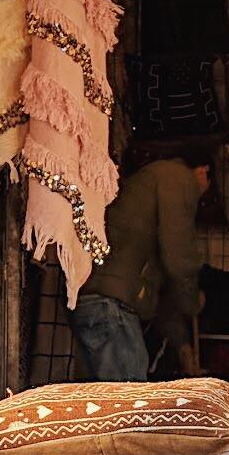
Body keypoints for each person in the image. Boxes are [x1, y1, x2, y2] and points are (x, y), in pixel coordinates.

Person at [72, 150, 212, 382]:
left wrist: (182, 344)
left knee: (112, 406)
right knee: (130, 407)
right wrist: (192, 301)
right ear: (203, 170)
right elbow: (179, 256)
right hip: (112, 306)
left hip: (101, 301)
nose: (200, 198)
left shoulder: (153, 180)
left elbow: (162, 282)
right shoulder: (178, 178)